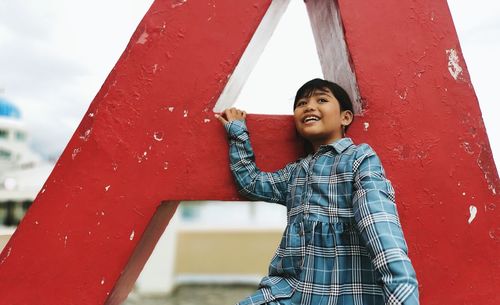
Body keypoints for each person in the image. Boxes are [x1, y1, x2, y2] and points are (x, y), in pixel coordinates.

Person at [216, 78, 419, 305]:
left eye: (321, 99)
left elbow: (379, 225)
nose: (309, 106)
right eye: (301, 103)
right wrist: (238, 132)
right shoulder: (295, 171)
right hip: (291, 290)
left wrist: (401, 293)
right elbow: (251, 183)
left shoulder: (358, 159)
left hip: (347, 291)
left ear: (345, 117)